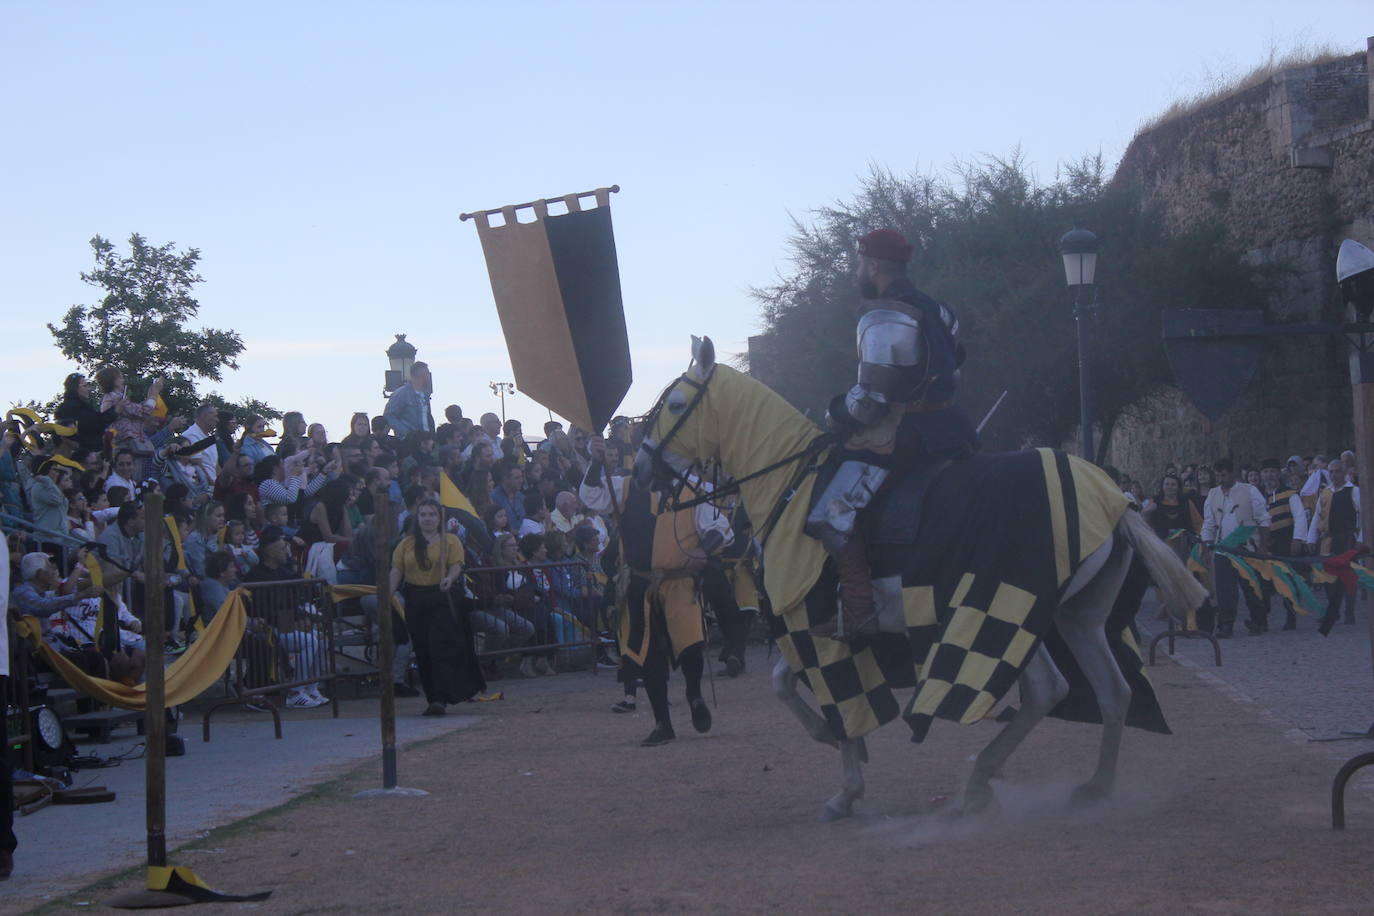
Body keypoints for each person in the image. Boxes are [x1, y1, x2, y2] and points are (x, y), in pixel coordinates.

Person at [805, 228, 978, 638]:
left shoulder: (883, 313)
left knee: (831, 508)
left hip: (906, 431)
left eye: (858, 264)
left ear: (874, 265)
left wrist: (835, 411)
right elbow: (953, 372)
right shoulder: (941, 311)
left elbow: (870, 402)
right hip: (952, 426)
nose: (856, 272)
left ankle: (860, 610)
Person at [389, 497, 486, 714]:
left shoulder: (450, 541)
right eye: (423, 514)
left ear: (439, 517)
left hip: (441, 597)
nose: (427, 519)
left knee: (439, 647)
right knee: (422, 648)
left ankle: (440, 699)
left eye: (432, 514)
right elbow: (396, 570)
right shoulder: (406, 543)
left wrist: (450, 579)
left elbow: (456, 565)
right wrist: (388, 593)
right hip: (415, 599)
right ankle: (432, 697)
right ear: (417, 517)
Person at [1200, 457, 1271, 637]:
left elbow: (1263, 519)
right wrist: (1207, 545)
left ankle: (1258, 620)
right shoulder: (1213, 494)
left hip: (1247, 548)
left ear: (1232, 474)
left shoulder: (1250, 491)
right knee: (1225, 590)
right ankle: (1225, 625)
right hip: (1223, 548)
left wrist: (1263, 545)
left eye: (1223, 475)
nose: (1220, 479)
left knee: (1251, 587)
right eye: (1217, 476)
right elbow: (1209, 522)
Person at [1305, 458, 1362, 632]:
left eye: (1337, 471)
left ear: (1344, 472)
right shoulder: (1325, 493)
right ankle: (1333, 611)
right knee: (1328, 578)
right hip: (1328, 540)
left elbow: (1363, 514)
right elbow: (1317, 516)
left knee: (1347, 576)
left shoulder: (1354, 491)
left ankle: (1349, 612)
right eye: (1331, 471)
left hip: (1346, 539)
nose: (1334, 475)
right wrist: (1311, 538)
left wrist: (1361, 538)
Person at [1258, 458, 1307, 630]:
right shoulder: (1257, 495)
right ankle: (1261, 619)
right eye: (1265, 471)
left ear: (1278, 474)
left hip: (1286, 541)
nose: (1269, 475)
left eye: (1272, 471)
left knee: (1288, 581)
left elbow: (1300, 517)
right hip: (1265, 544)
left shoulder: (1290, 494)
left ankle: (1291, 616)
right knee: (1262, 582)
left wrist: (1297, 539)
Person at [54, 372, 114, 454]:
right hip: (84, 456)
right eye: (85, 386)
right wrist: (115, 411)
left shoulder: (80, 406)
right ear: (75, 388)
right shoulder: (72, 408)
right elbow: (95, 424)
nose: (88, 389)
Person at [383, 361, 435, 438]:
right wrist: (407, 433)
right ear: (420, 375)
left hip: (425, 439)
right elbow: (389, 416)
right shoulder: (402, 393)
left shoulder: (425, 395)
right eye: (426, 374)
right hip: (409, 441)